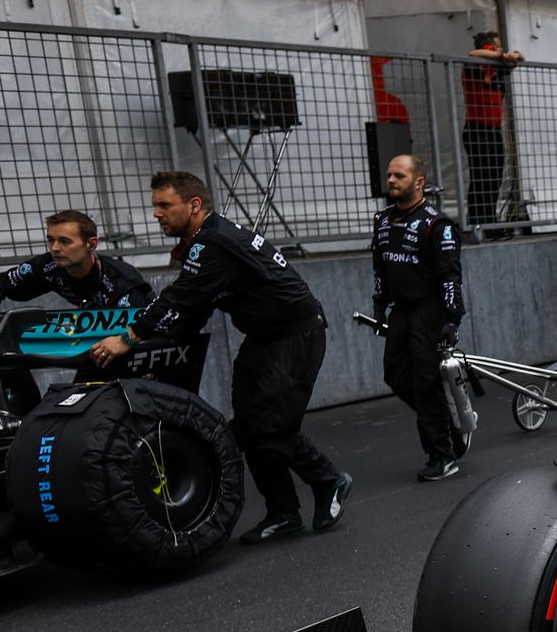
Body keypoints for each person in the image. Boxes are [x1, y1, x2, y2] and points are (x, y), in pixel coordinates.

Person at [89, 171, 352, 544]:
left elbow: (180, 297)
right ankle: (283, 513)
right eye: (155, 206)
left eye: (164, 205)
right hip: (262, 337)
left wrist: (129, 339)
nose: (156, 213)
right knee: (247, 423)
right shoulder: (200, 243)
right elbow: (195, 307)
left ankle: (329, 480)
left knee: (266, 425)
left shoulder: (212, 243)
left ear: (194, 205)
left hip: (295, 335)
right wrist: (161, 345)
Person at [369, 154, 467, 482]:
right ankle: (448, 424)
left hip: (430, 311)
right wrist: (380, 302)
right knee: (395, 375)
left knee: (425, 384)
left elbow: (450, 276)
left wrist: (452, 319)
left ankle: (443, 455)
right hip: (400, 312)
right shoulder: (382, 220)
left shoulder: (437, 225)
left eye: (399, 175)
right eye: (389, 175)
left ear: (419, 182)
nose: (391, 180)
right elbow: (380, 266)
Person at [0, 210, 152, 349]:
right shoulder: (48, 265)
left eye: (65, 241)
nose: (55, 248)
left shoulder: (122, 280)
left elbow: (137, 333)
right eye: (51, 240)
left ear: (91, 244)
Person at [462, 30, 523, 231]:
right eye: (496, 46)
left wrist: (514, 56)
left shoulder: (496, 69)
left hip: (493, 129)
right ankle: (478, 223)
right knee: (481, 177)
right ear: (488, 48)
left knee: (494, 177)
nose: (500, 50)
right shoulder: (474, 66)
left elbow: (516, 61)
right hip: (477, 129)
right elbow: (473, 54)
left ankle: (489, 221)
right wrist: (501, 55)